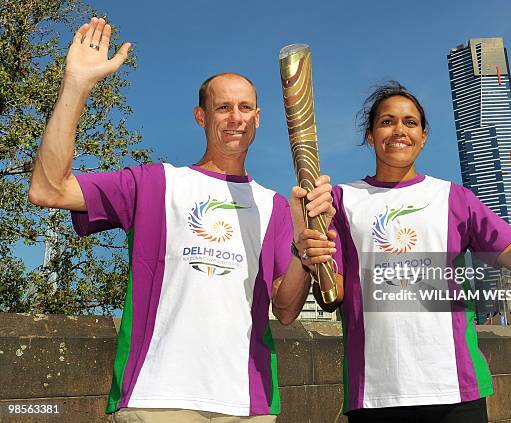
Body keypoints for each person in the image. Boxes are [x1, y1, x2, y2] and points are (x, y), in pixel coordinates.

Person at [28, 17, 336, 423]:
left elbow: (286, 309)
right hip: (157, 398)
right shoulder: (156, 183)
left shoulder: (275, 206)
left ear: (258, 118)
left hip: (247, 404)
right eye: (222, 107)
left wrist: (304, 246)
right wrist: (76, 85)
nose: (235, 117)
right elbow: (48, 189)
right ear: (200, 116)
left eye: (245, 108)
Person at [309, 81, 511, 422]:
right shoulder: (340, 200)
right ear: (370, 136)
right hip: (374, 394)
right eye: (387, 121)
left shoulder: (455, 198)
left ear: (423, 136)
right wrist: (310, 243)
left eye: (410, 122)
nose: (399, 130)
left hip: (455, 390)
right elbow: (331, 293)